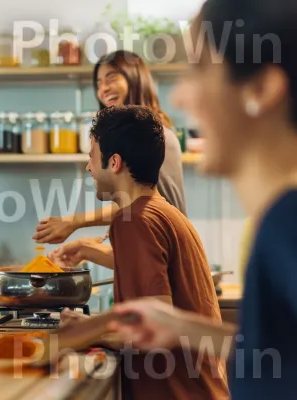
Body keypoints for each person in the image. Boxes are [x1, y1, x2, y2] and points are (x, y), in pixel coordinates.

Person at [107, 0, 297, 398]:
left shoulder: (288, 222)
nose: (180, 97)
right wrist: (183, 328)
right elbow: (281, 355)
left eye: (198, 69)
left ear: (260, 89)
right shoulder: (274, 221)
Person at [51, 105, 229, 400]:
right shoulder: (165, 213)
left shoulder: (133, 221)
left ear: (115, 162)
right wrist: (92, 324)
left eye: (92, 156)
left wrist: (75, 336)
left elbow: (151, 331)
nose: (88, 168)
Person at [33, 51, 186, 252]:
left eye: (111, 78)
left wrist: (74, 221)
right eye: (98, 83)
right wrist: (85, 249)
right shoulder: (133, 138)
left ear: (135, 78)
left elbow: (144, 203)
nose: (103, 89)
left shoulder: (156, 137)